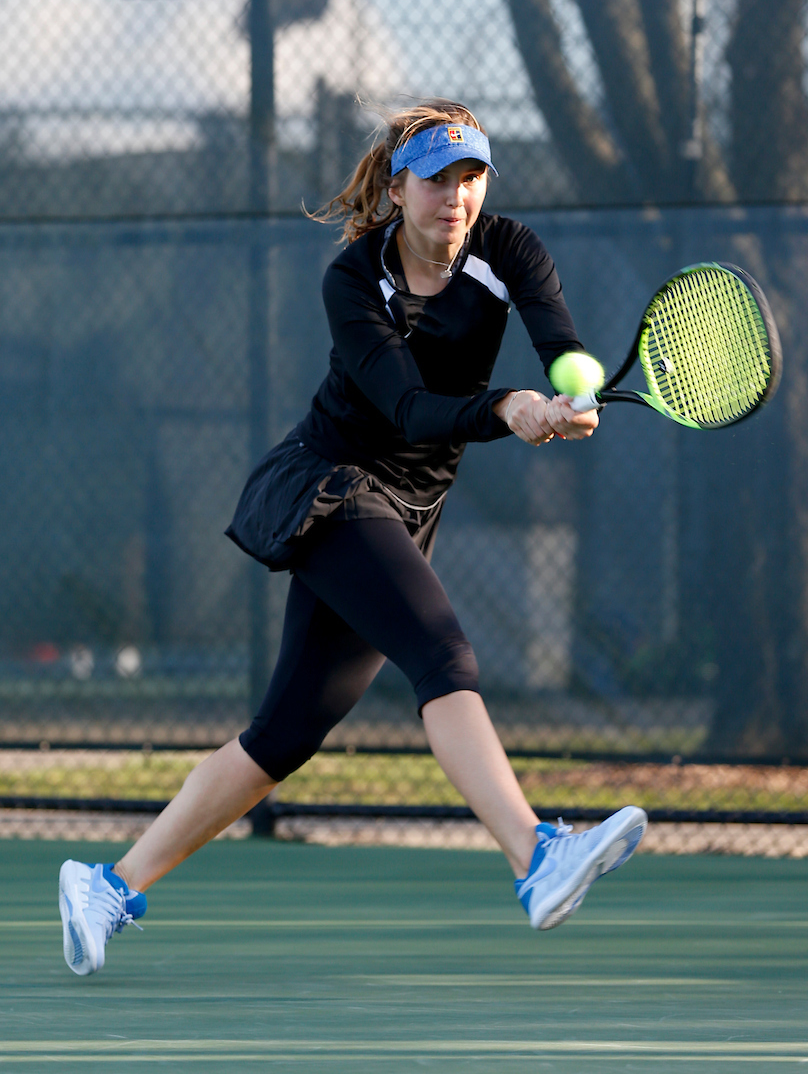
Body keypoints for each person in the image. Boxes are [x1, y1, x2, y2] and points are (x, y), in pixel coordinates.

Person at [59, 100, 647, 977]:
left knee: (283, 736)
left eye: (472, 176)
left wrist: (569, 388)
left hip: (408, 508)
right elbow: (409, 408)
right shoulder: (351, 278)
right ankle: (535, 855)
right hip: (329, 488)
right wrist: (506, 407)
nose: (457, 196)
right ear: (399, 184)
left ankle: (107, 883)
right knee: (444, 655)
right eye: (438, 178)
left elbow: (560, 342)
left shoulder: (510, 249)